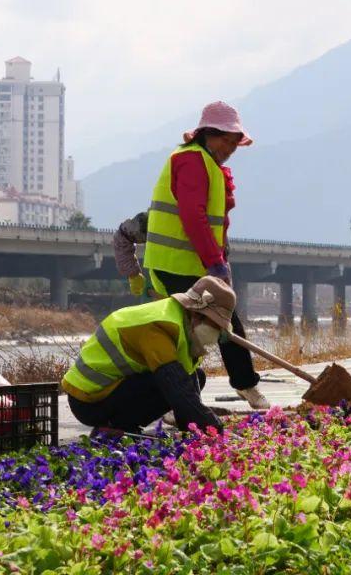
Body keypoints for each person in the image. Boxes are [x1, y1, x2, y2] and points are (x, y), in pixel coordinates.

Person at [143, 101, 269, 409]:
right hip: (177, 263)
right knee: (204, 327)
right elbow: (193, 215)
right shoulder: (191, 161)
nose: (229, 148)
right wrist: (214, 261)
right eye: (225, 140)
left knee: (211, 326)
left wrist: (219, 258)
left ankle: (222, 390)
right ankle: (220, 392)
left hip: (195, 263)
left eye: (233, 144)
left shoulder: (209, 165)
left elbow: (214, 222)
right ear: (207, 134)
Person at [62, 276, 233, 434]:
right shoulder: (159, 327)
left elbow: (187, 384)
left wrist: (192, 428)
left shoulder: (181, 322)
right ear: (197, 315)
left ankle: (123, 424)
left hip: (113, 390)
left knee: (196, 377)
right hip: (90, 401)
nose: (218, 334)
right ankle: (114, 426)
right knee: (171, 381)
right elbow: (178, 389)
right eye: (216, 325)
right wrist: (216, 430)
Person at [112, 210, 156, 299]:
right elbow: (124, 235)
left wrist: (133, 274)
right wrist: (133, 274)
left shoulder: (158, 215)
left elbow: (123, 235)